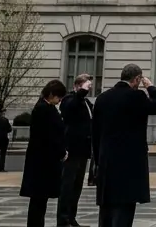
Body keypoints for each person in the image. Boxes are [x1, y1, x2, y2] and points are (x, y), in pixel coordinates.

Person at [94, 64, 156, 227]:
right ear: (137, 79)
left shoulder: (102, 98)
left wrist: (98, 160)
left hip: (106, 159)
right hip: (129, 161)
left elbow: (96, 133)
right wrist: (151, 88)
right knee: (124, 207)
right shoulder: (136, 96)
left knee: (107, 207)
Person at [20, 79, 69, 227]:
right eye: (58, 97)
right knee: (38, 200)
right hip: (42, 161)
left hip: (43, 160)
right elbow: (49, 136)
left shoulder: (46, 108)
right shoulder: (43, 109)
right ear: (52, 94)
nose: (59, 100)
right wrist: (61, 152)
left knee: (40, 200)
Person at [59, 74, 95, 227]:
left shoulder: (86, 102)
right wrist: (80, 92)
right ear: (76, 86)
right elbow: (68, 110)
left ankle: (71, 217)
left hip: (83, 150)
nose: (89, 89)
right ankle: (63, 219)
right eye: (86, 86)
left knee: (77, 186)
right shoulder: (69, 99)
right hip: (72, 149)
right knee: (68, 185)